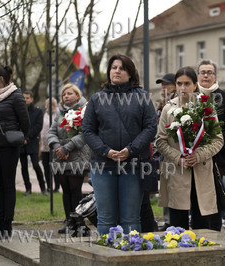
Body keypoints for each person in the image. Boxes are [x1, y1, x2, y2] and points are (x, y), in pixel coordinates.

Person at [82, 54, 157, 235]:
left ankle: (131, 256)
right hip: (103, 165)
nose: (117, 71)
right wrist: (105, 151)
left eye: (122, 68)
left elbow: (150, 127)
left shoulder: (142, 97)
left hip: (133, 164)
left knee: (131, 218)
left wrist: (130, 150)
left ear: (130, 73)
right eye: (114, 67)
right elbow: (88, 130)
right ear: (109, 72)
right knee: (105, 217)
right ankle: (105, 257)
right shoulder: (96, 99)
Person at [156, 66, 224, 231]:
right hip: (177, 171)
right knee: (177, 226)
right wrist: (178, 157)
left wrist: (198, 156)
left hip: (201, 171)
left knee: (202, 226)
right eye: (179, 83)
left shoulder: (206, 108)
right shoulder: (168, 108)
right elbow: (160, 141)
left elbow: (217, 140)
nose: (182, 88)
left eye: (187, 83)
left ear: (195, 85)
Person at [0, 66, 30, 239]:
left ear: (2, 79)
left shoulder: (15, 96)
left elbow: (25, 123)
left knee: (8, 185)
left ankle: (7, 225)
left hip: (8, 148)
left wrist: (18, 138)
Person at [197, 59, 225, 219]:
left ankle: (217, 219)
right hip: (194, 154)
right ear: (198, 75)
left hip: (217, 155)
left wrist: (218, 142)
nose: (206, 76)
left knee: (215, 190)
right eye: (203, 72)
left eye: (210, 72)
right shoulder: (192, 96)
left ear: (215, 76)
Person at [48, 83, 90, 234]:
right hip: (60, 157)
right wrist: (57, 146)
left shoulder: (84, 110)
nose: (66, 96)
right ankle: (69, 221)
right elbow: (51, 132)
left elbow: (85, 133)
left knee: (75, 190)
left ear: (77, 96)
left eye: (69, 93)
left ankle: (79, 222)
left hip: (77, 156)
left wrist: (67, 147)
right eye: (64, 94)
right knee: (65, 190)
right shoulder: (59, 113)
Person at [155, 73, 177, 231]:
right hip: (163, 150)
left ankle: (175, 220)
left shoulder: (177, 103)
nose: (163, 88)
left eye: (166, 84)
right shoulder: (162, 103)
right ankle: (168, 221)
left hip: (176, 151)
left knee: (176, 186)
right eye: (161, 85)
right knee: (166, 186)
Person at [20, 90, 46, 196]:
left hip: (33, 141)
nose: (25, 100)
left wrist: (27, 136)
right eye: (23, 98)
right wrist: (22, 137)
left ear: (32, 99)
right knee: (24, 167)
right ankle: (28, 189)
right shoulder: (19, 111)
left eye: (27, 98)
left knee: (36, 165)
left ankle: (43, 188)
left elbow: (38, 126)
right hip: (21, 142)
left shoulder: (38, 112)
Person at [40, 98, 60, 193]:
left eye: (50, 105)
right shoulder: (45, 114)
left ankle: (56, 187)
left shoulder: (58, 114)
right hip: (44, 146)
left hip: (54, 146)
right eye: (47, 105)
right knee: (46, 167)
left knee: (55, 168)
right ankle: (49, 186)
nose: (48, 107)